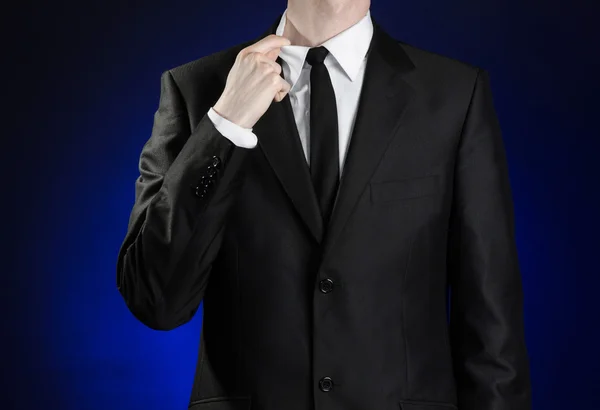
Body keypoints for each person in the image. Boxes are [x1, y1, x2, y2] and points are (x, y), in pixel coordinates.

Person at [116, 0, 532, 409]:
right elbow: (155, 300)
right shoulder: (197, 90)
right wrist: (225, 125)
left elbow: (491, 327)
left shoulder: (454, 95)